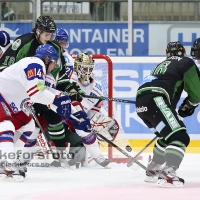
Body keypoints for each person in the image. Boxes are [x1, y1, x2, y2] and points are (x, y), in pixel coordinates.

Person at [0, 16, 84, 168]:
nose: (49, 38)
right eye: (46, 34)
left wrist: (66, 91)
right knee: (9, 125)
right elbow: (6, 65)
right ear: (38, 31)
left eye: (51, 35)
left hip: (31, 91)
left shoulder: (51, 49)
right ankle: (8, 161)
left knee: (30, 125)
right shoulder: (25, 44)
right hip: (14, 91)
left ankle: (13, 159)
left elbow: (57, 76)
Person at [0, 44, 73, 181]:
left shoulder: (38, 69)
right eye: (53, 62)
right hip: (3, 98)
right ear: (47, 59)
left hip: (8, 102)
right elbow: (36, 94)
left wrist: (58, 105)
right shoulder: (35, 63)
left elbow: (42, 92)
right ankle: (7, 162)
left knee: (28, 125)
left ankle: (7, 161)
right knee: (6, 126)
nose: (54, 66)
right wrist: (56, 100)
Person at [136, 41, 200, 188]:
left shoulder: (161, 66)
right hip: (156, 100)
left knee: (168, 136)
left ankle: (153, 168)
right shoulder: (186, 62)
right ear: (183, 53)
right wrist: (188, 106)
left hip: (141, 104)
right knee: (180, 136)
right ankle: (168, 173)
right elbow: (197, 93)